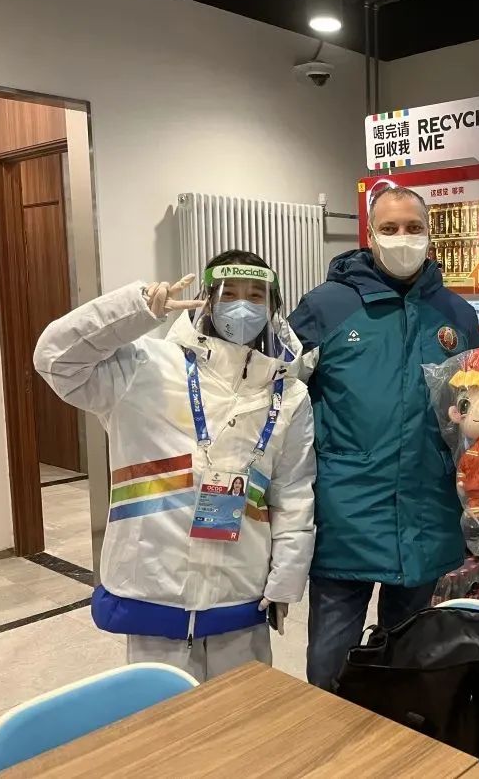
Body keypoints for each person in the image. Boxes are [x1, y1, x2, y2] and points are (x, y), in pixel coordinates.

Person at [34, 251, 316, 682]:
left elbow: (294, 492)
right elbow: (55, 358)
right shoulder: (143, 366)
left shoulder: (289, 395)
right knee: (163, 718)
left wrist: (285, 581)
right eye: (229, 294)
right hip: (154, 591)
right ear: (207, 299)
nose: (242, 307)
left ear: (273, 308)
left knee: (240, 715)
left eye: (256, 296)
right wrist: (136, 308)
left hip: (240, 597)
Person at [289, 183, 479, 691]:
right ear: (370, 235)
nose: (403, 237)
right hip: (346, 512)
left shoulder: (457, 315)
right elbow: (281, 397)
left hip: (427, 511)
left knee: (408, 664)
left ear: (430, 234)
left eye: (414, 227)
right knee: (330, 666)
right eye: (390, 228)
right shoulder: (327, 307)